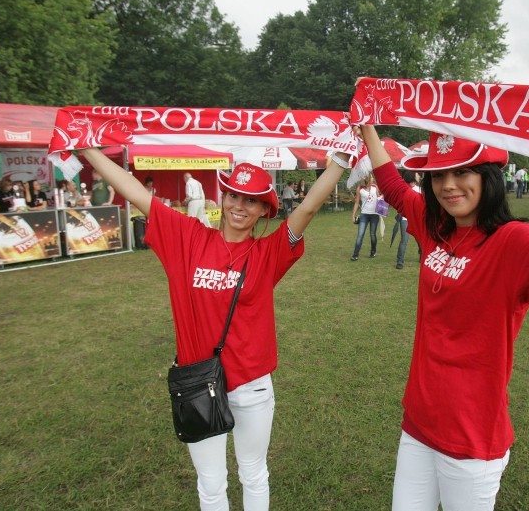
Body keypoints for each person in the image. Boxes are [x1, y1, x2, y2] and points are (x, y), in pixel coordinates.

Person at [79, 144, 352, 510]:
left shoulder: (268, 253)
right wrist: (89, 151)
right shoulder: (186, 238)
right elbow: (136, 193)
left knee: (253, 473)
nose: (240, 206)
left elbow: (308, 207)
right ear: (222, 197)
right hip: (197, 383)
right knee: (210, 482)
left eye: (251, 200)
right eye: (234, 195)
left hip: (252, 385)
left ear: (264, 210)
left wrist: (341, 161)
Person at [357, 124, 529, 511]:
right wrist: (368, 129)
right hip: (419, 423)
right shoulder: (434, 225)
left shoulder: (513, 239)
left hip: (472, 438)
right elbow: (392, 186)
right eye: (439, 174)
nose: (448, 185)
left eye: (462, 171)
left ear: (489, 177)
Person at [393, 170, 421, 270]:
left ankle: (422, 255)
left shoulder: (419, 189)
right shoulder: (404, 189)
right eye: (417, 174)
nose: (419, 176)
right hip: (405, 219)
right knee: (404, 240)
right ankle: (400, 261)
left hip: (417, 219)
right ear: (412, 176)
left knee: (420, 239)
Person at [350, 174, 382, 261]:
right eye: (371, 177)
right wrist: (353, 215)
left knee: (372, 235)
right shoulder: (359, 189)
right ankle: (355, 255)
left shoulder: (375, 187)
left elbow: (379, 198)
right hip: (364, 214)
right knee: (360, 235)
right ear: (368, 180)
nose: (372, 178)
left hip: (374, 215)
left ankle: (373, 252)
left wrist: (383, 205)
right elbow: (356, 203)